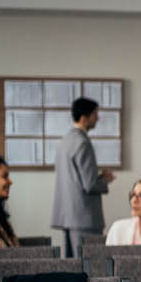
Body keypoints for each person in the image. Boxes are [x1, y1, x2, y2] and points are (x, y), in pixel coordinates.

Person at [51, 97, 115, 258]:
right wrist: (105, 180)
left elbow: (73, 179)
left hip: (67, 216)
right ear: (85, 117)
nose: (98, 118)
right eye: (95, 114)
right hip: (84, 217)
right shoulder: (83, 142)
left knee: (72, 267)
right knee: (90, 266)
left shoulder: (65, 141)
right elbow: (90, 185)